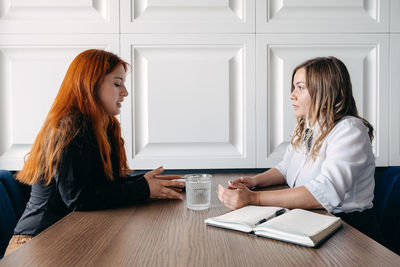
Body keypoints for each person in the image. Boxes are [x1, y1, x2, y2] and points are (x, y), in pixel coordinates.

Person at [4, 49, 184, 256]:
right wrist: (143, 188)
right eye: (117, 83)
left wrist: (145, 183)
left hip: (68, 239)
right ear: (91, 85)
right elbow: (79, 199)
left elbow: (103, 187)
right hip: (35, 243)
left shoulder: (104, 127)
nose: (124, 92)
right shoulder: (69, 127)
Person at [217, 56, 383, 242]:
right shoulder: (310, 127)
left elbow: (324, 192)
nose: (292, 95)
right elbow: (285, 168)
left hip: (349, 230)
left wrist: (254, 199)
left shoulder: (349, 130)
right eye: (294, 87)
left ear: (324, 90)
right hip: (311, 218)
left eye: (300, 87)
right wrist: (254, 181)